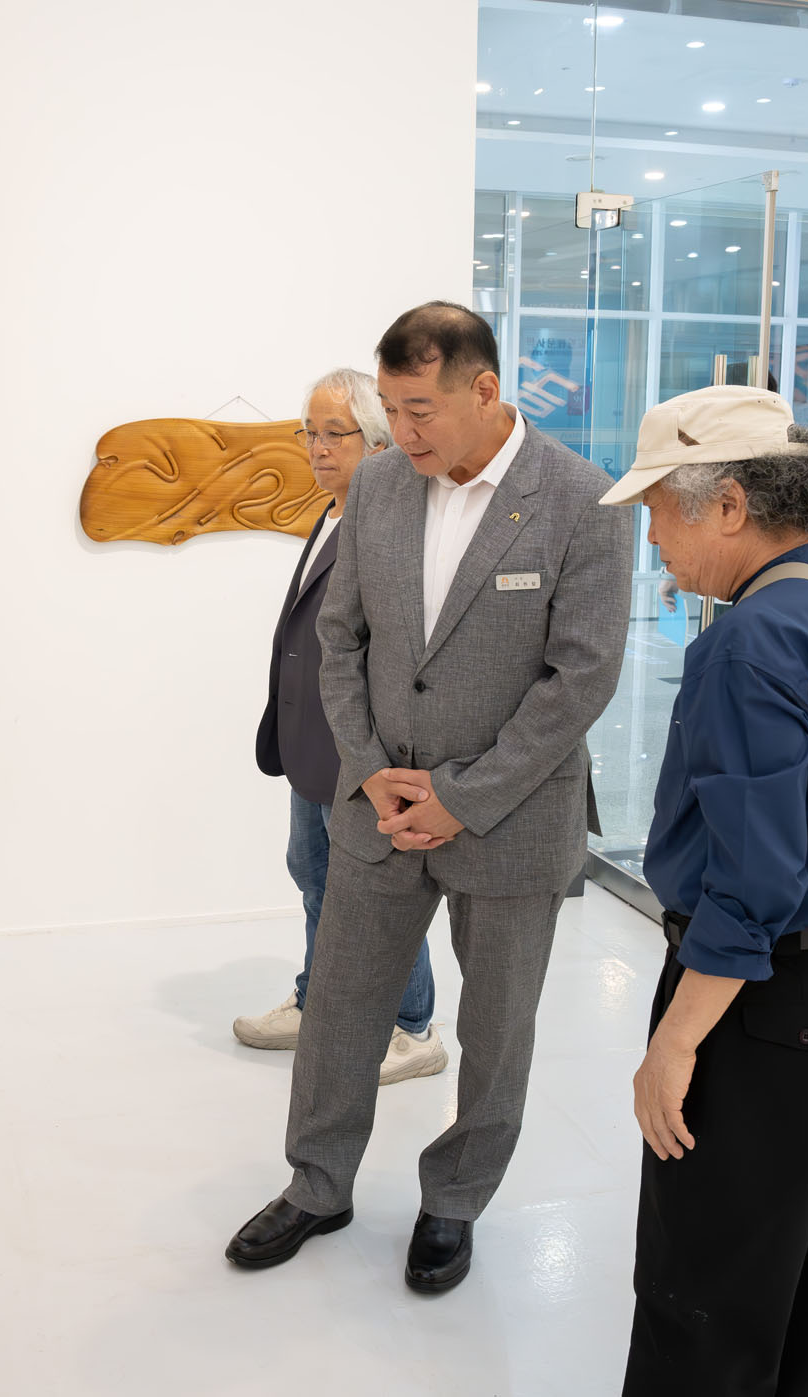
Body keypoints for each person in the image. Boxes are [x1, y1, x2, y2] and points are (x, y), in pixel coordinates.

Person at [226, 302, 632, 1292]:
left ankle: (454, 1201)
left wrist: (461, 795)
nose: (399, 430)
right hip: (378, 806)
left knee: (495, 1030)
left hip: (510, 818)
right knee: (341, 1008)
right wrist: (368, 766)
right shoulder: (378, 485)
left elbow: (580, 678)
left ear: (483, 391)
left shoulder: (582, 498)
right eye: (391, 408)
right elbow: (341, 639)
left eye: (418, 410)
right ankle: (317, 1183)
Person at [602, 386, 808, 1396]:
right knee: (801, 1292)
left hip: (765, 1005)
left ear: (731, 503)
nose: (653, 537)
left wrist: (675, 1041)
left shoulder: (750, 641)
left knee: (703, 1307)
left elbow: (752, 882)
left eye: (661, 509)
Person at [243, 369, 447, 1082]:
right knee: (315, 874)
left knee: (380, 891)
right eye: (310, 432)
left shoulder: (393, 526)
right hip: (311, 741)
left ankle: (411, 1026)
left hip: (360, 750)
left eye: (336, 433)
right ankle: (319, 1002)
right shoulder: (332, 512)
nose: (318, 447)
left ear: (380, 441)